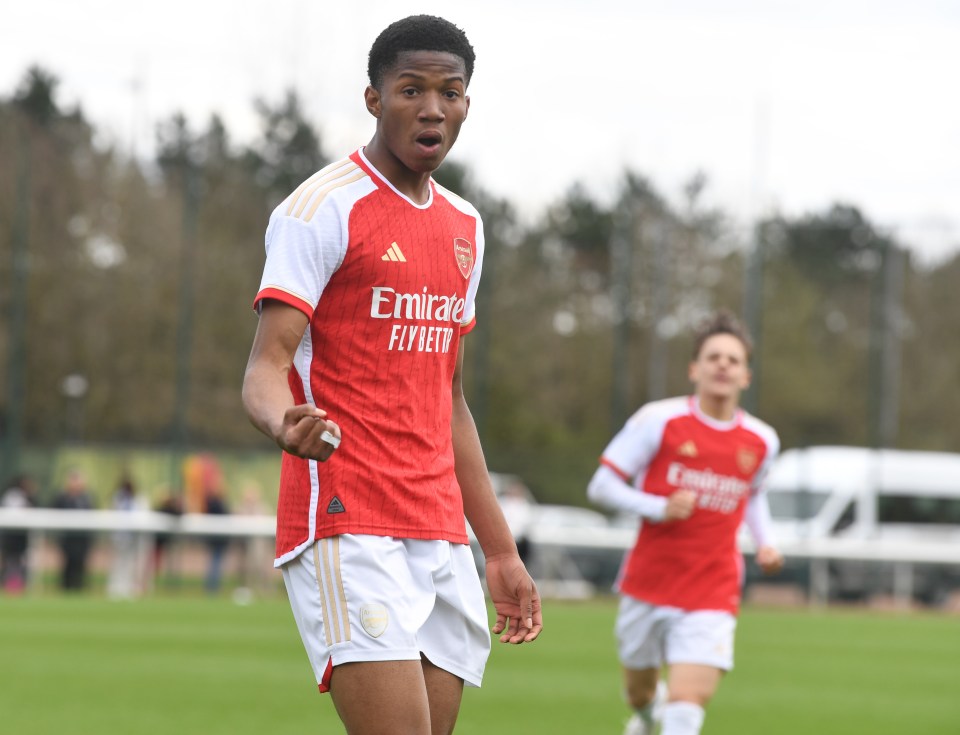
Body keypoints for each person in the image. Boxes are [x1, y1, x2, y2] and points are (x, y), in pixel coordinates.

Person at [241, 15, 541, 734]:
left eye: (451, 92)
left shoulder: (466, 224)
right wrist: (286, 421)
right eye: (412, 89)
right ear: (375, 99)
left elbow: (450, 398)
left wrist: (498, 549)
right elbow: (265, 367)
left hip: (439, 530)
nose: (433, 108)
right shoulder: (321, 209)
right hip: (349, 521)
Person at [587, 310, 783, 735]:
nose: (723, 365)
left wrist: (765, 541)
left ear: (746, 376)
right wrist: (657, 506)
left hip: (712, 590)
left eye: (733, 359)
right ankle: (642, 715)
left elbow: (754, 495)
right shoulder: (659, 420)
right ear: (695, 369)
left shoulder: (762, 440)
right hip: (648, 583)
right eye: (714, 356)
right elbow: (601, 486)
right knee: (640, 691)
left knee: (687, 703)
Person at [50, 468, 96, 591]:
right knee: (67, 563)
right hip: (67, 537)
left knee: (80, 563)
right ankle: (65, 587)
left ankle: (78, 587)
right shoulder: (62, 498)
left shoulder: (87, 498)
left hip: (82, 538)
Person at [1, 474, 38, 593]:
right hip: (13, 536)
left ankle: (15, 584)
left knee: (16, 561)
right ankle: (12, 585)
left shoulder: (14, 495)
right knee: (13, 560)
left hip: (16, 536)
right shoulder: (15, 495)